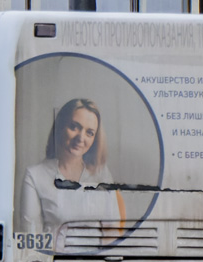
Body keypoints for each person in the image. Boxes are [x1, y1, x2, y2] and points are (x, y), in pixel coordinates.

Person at [17, 98, 126, 236]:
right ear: (61, 127)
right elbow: (31, 237)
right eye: (74, 127)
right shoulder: (35, 176)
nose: (81, 138)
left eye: (89, 133)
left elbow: (112, 231)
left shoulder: (101, 174)